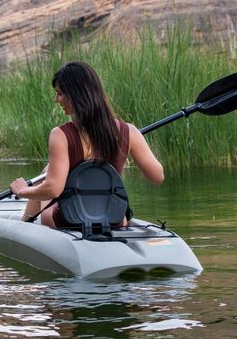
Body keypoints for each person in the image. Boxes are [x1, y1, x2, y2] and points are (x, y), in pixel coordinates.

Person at [9, 61, 164, 228]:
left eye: (59, 93)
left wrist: (23, 191)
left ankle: (26, 224)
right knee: (49, 171)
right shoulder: (130, 132)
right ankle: (26, 222)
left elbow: (53, 189)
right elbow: (157, 176)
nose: (57, 100)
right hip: (115, 221)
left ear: (75, 95)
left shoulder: (60, 135)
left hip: (67, 221)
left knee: (47, 174)